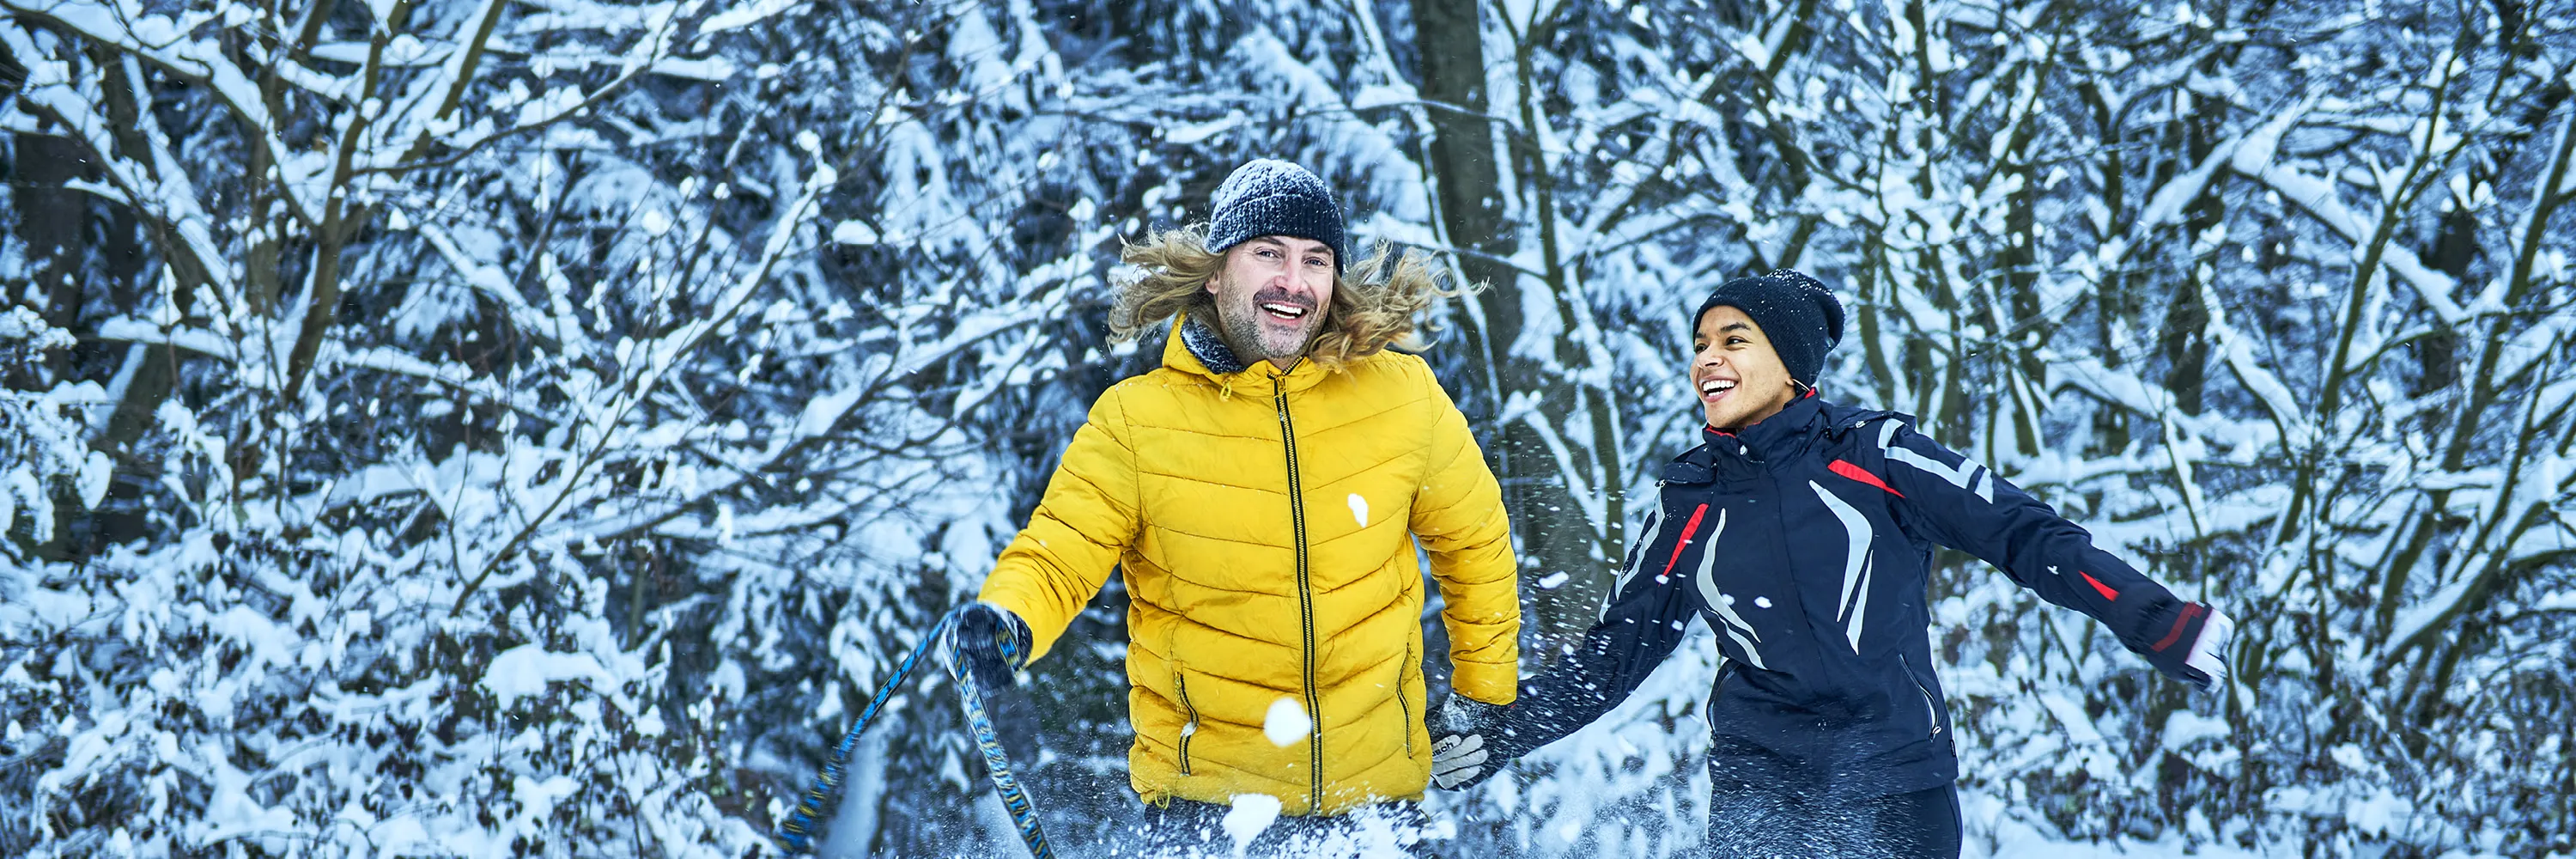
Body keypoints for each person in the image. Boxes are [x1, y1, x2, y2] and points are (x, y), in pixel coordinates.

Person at [1425, 271, 2234, 858]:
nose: (1708, 359)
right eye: (1701, 344)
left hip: (1896, 781)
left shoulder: (1876, 457)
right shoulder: (1690, 501)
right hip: (1761, 793)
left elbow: (2026, 534)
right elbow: (1618, 651)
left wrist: (2157, 620)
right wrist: (1503, 732)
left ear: (1791, 364)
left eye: (1734, 340)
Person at [955, 159, 1520, 857]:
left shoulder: (1403, 397)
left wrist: (1483, 699)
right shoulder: (1138, 422)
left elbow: (1477, 543)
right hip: (1211, 815)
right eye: (1268, 254)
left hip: (1377, 815)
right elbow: (1061, 547)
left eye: (1316, 260)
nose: (1293, 281)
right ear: (1217, 272)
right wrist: (1009, 618)